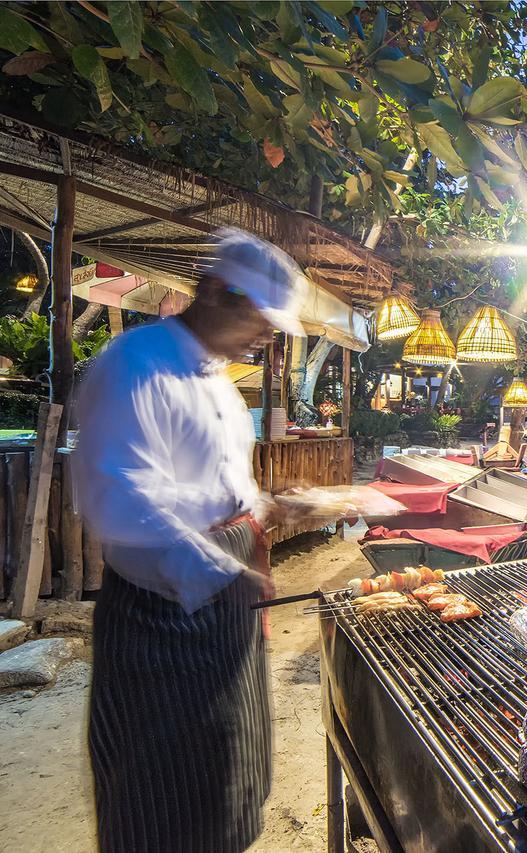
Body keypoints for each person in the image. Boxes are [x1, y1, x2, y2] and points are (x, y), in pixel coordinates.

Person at [73, 229, 306, 853]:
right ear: (210, 292)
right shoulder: (135, 364)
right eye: (258, 315)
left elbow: (219, 491)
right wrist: (218, 571)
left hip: (222, 604)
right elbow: (117, 498)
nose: (266, 333)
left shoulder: (224, 387)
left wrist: (277, 507)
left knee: (230, 767)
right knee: (160, 793)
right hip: (160, 611)